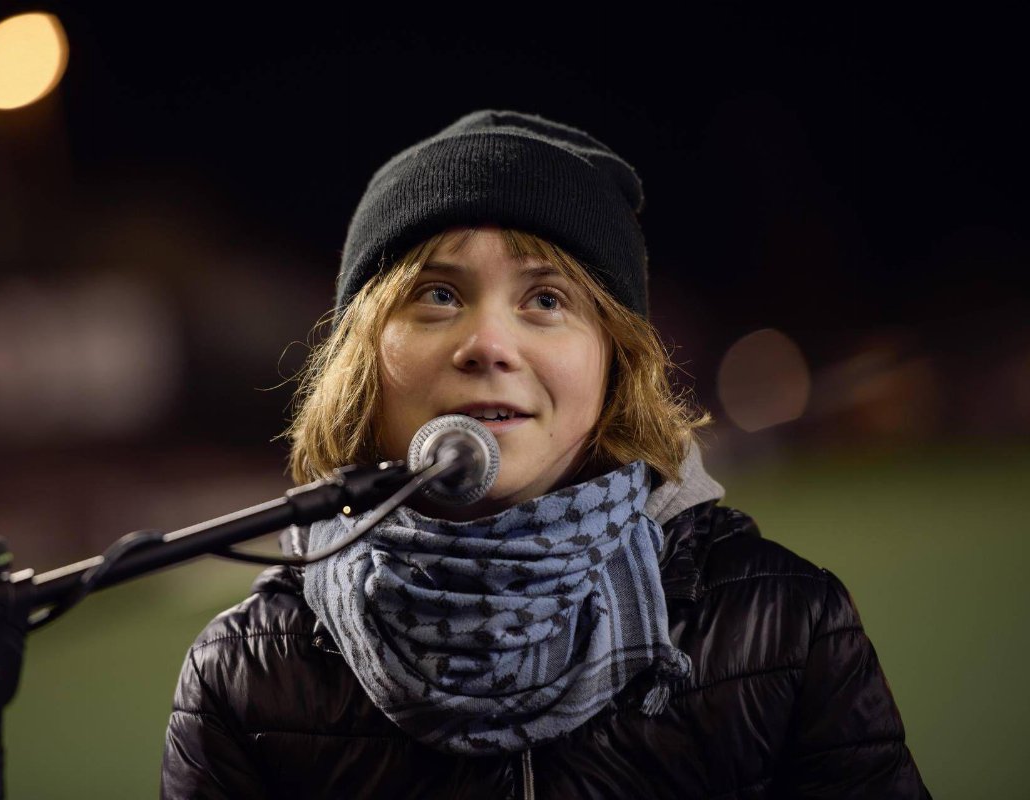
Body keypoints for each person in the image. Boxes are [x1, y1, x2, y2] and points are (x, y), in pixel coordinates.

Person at [160, 110, 930, 798]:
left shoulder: (786, 626)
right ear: (365, 361)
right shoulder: (245, 675)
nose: (489, 344)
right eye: (437, 295)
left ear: (614, 362)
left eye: (547, 300)